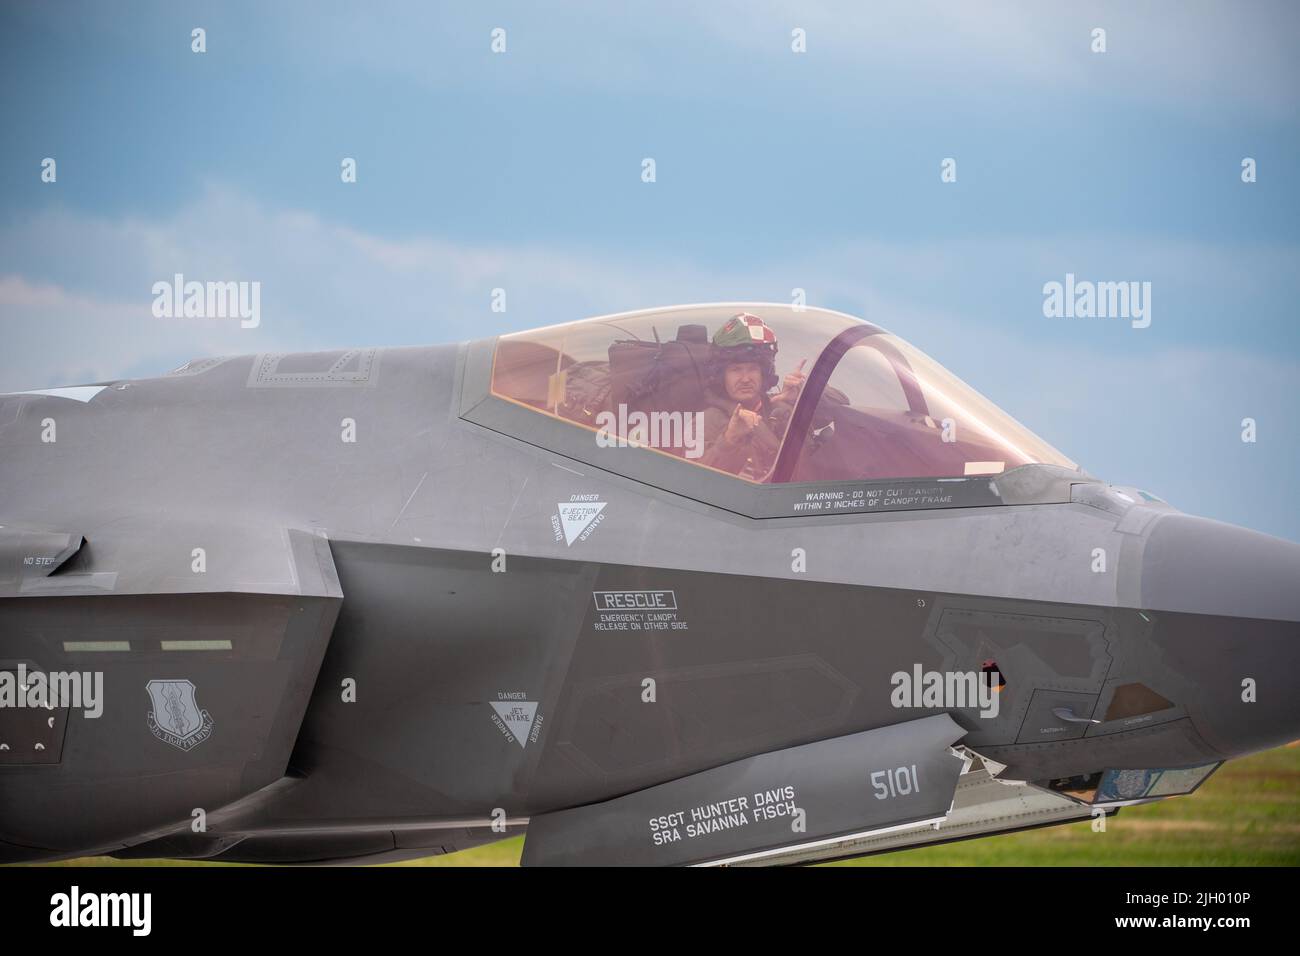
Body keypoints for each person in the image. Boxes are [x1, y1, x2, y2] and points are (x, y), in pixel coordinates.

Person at [700, 313, 806, 479]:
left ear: (765, 372)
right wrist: (728, 441)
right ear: (721, 376)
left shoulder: (777, 409)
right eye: (736, 369)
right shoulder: (708, 420)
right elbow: (694, 482)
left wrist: (802, 395)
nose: (745, 378)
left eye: (752, 368)